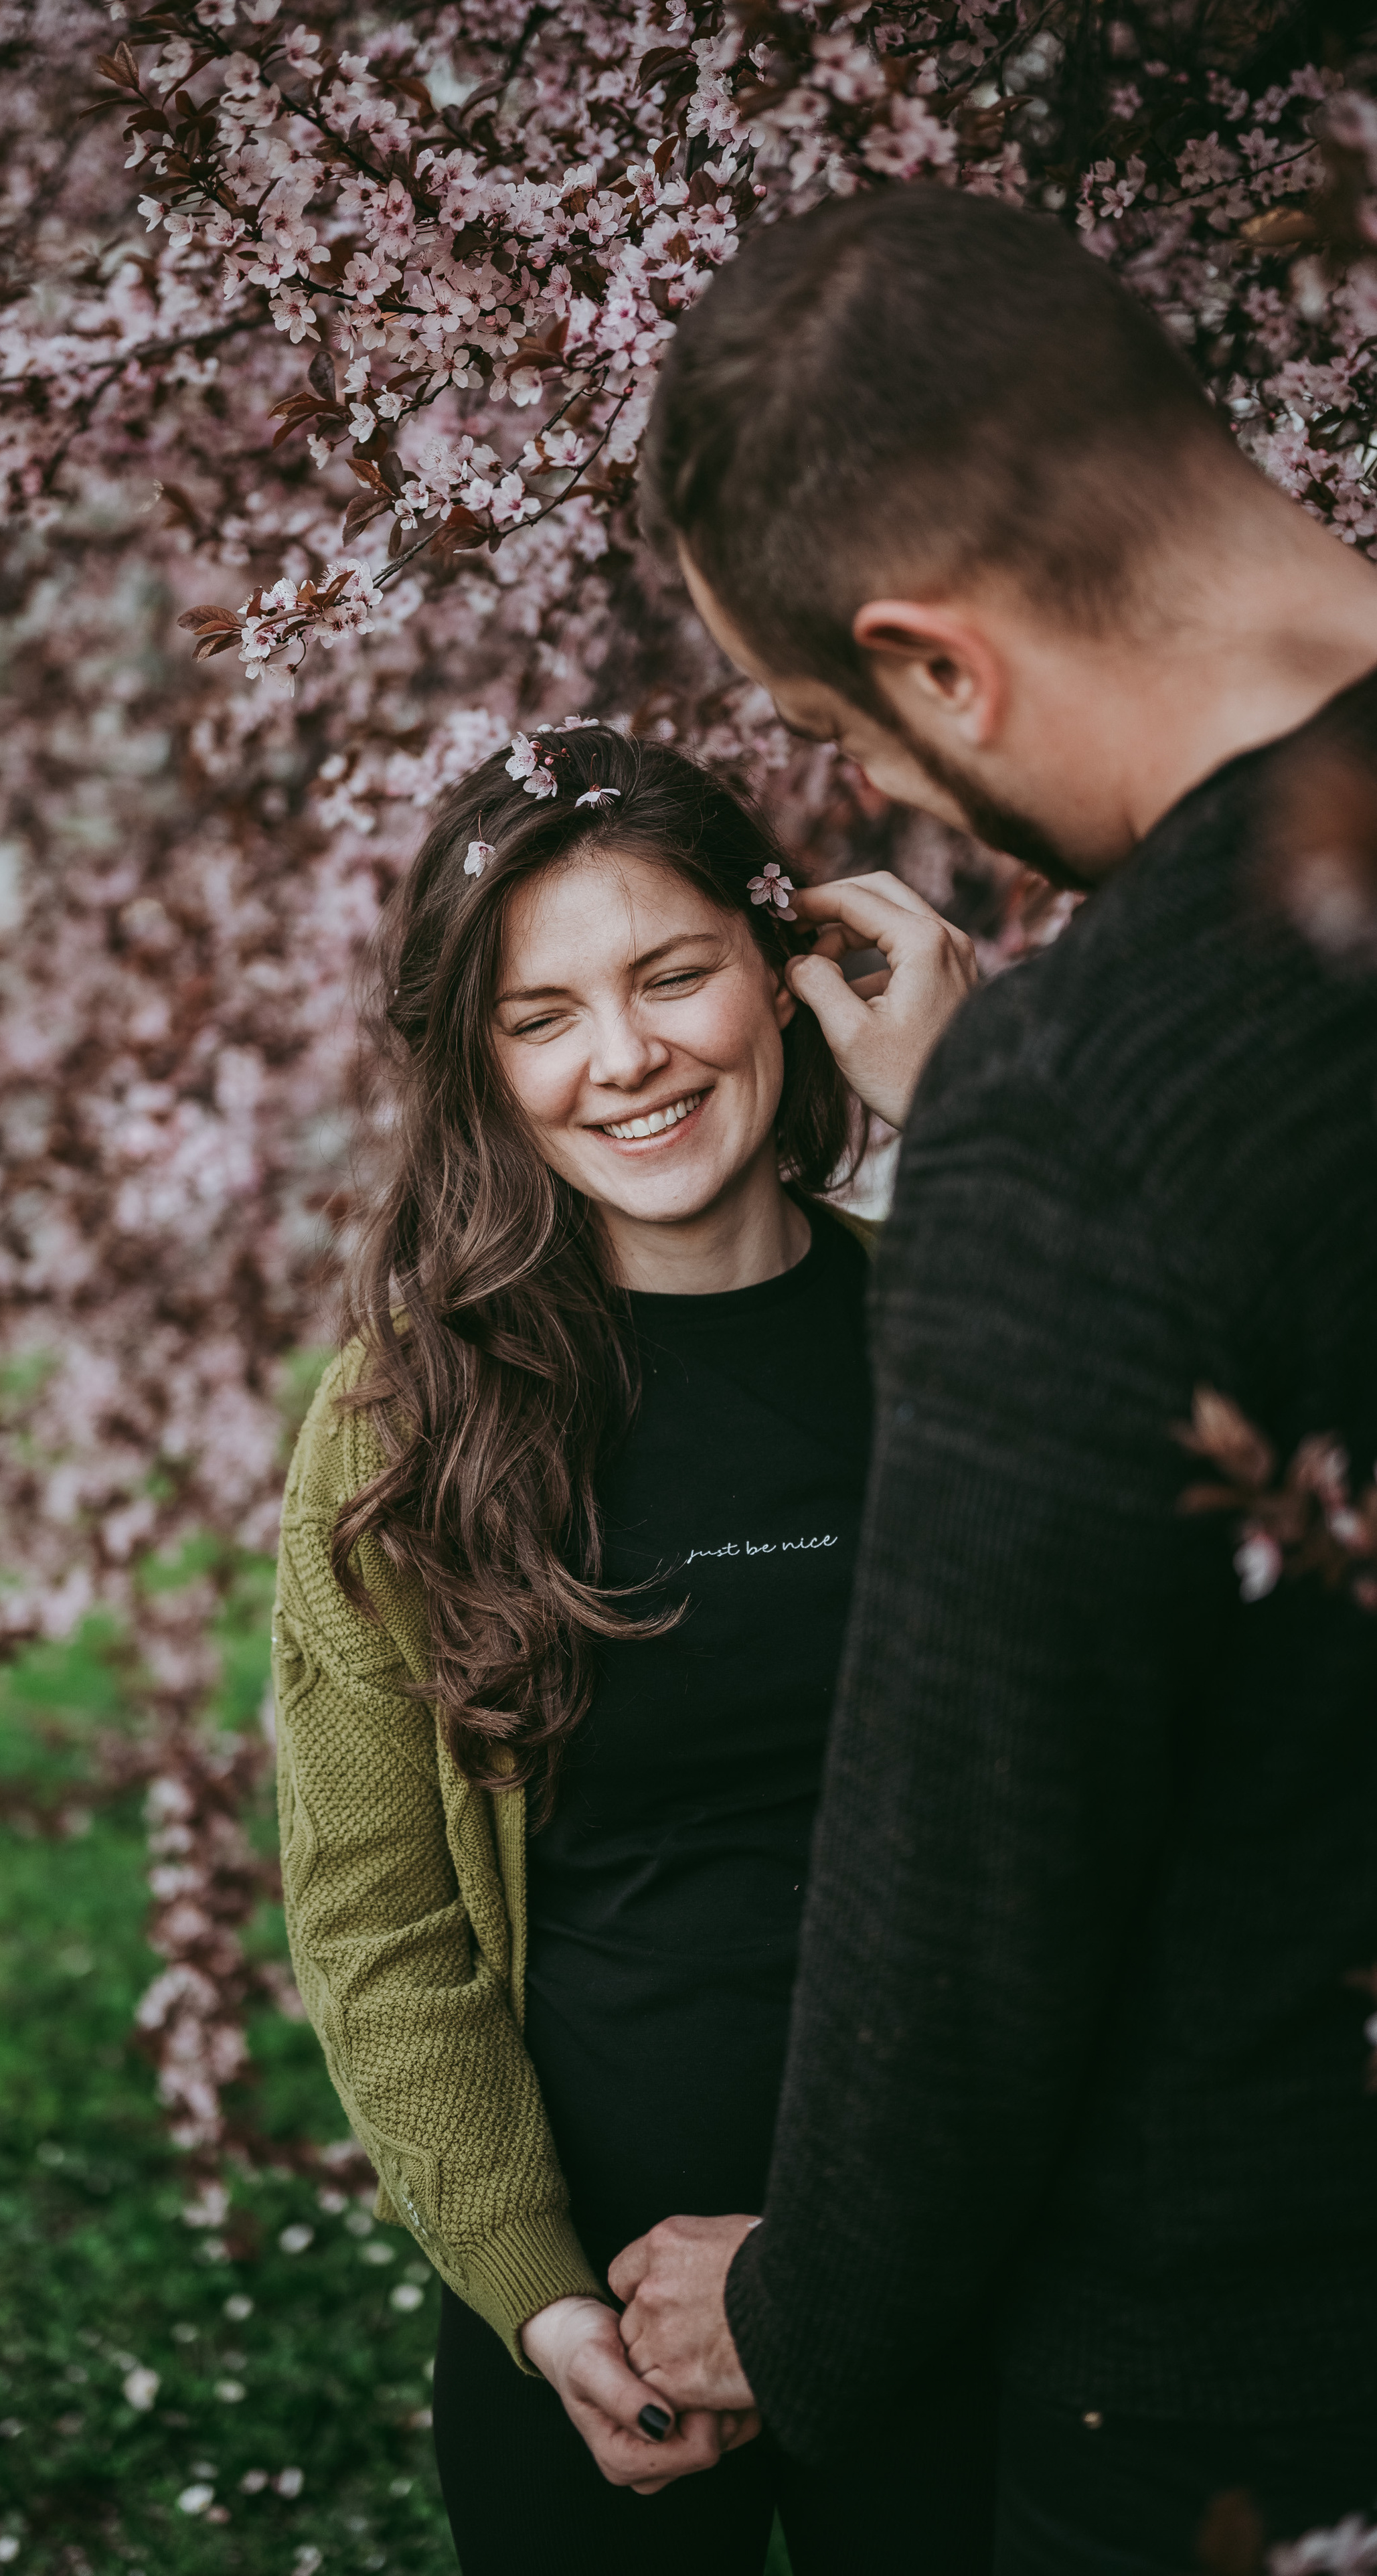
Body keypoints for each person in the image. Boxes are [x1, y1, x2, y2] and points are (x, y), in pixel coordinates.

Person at [609, 185, 1377, 2575]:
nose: (927, 810)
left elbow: (984, 1865)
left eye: (864, 734)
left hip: (1258, 2383)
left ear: (937, 669)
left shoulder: (1099, 1103)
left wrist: (813, 2302)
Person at [270, 722, 984, 2574]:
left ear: (787, 969)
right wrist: (543, 2302)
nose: (626, 1059)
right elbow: (379, 1917)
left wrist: (982, 1112)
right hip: (589, 2318)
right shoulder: (408, 1424)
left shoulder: (976, 1334)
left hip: (976, 2257)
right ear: (486, 1072)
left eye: (674, 975)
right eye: (544, 1017)